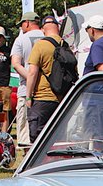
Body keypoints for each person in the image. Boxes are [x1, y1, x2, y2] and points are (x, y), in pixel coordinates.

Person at [24, 14, 66, 142]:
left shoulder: (40, 45)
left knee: (38, 139)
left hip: (42, 98)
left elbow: (32, 73)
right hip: (61, 99)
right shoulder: (65, 45)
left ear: (43, 29)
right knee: (55, 139)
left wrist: (28, 96)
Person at [10, 11, 43, 150]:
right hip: (47, 90)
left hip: (25, 90)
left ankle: (26, 156)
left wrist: (30, 78)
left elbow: (16, 64)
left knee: (24, 126)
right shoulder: (48, 37)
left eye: (22, 24)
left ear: (27, 23)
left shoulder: (21, 39)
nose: (21, 28)